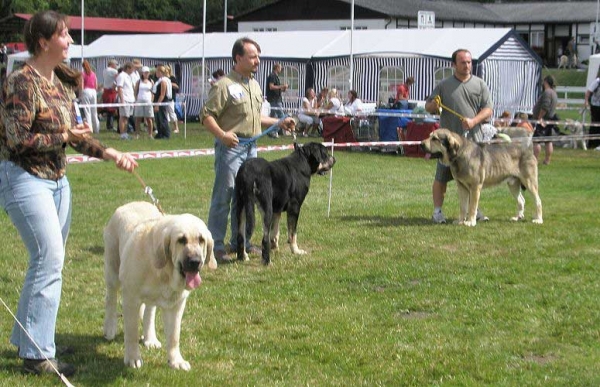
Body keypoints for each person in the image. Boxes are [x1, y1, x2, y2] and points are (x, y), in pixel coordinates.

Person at [0, 10, 138, 377]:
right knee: (49, 259)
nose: (70, 42)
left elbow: (72, 137)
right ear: (43, 42)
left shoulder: (60, 85)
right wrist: (64, 136)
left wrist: (109, 153)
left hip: (58, 181)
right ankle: (37, 354)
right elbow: (17, 140)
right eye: (64, 35)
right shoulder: (20, 82)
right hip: (24, 178)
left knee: (46, 262)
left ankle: (29, 337)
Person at [201, 37, 295, 263]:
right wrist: (222, 135)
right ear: (238, 58)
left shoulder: (254, 85)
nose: (258, 61)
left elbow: (255, 117)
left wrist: (278, 122)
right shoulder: (223, 85)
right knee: (224, 196)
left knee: (246, 197)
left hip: (251, 148)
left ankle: (240, 241)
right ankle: (216, 245)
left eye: (259, 57)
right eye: (253, 57)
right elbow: (206, 116)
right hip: (231, 148)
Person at [425, 48, 493, 224]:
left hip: (473, 142)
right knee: (441, 178)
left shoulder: (480, 84)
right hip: (448, 144)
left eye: (469, 62)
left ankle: (473, 211)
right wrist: (434, 105)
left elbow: (488, 109)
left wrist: (474, 120)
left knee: (474, 179)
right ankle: (437, 212)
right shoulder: (444, 85)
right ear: (454, 64)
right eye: (463, 62)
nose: (467, 65)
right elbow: (429, 107)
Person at [532, 75, 558, 165]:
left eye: (544, 81)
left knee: (536, 140)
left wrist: (539, 118)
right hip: (550, 119)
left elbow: (545, 106)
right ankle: (547, 160)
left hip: (543, 120)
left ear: (546, 82)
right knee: (548, 141)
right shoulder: (554, 93)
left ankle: (535, 159)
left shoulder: (547, 92)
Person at [266, 63, 288, 137]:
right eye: (280, 68)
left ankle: (272, 131)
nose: (281, 69)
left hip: (276, 98)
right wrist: (282, 86)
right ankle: (274, 131)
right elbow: (271, 87)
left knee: (273, 116)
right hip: (274, 99)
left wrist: (283, 88)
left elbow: (276, 89)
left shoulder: (276, 77)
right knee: (281, 115)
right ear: (277, 68)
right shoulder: (272, 76)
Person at [115, 61, 135, 140]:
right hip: (125, 99)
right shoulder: (121, 76)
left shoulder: (128, 76)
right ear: (128, 68)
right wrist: (122, 100)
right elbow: (119, 88)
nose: (133, 71)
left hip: (130, 99)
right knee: (123, 117)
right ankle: (122, 134)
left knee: (127, 117)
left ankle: (125, 133)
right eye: (132, 69)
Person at [79, 60, 100, 134]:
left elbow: (81, 85)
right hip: (93, 91)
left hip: (86, 91)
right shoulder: (93, 74)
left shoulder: (82, 74)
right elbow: (96, 85)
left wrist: (80, 95)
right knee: (94, 111)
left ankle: (90, 128)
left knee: (87, 111)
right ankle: (97, 129)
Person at [133, 66, 154, 137]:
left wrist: (151, 100)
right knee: (138, 118)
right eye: (145, 73)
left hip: (148, 101)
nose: (146, 74)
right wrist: (136, 99)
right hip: (139, 101)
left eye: (147, 73)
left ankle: (150, 134)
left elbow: (153, 92)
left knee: (149, 118)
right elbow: (135, 91)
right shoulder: (139, 81)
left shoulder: (151, 81)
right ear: (142, 73)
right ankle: (137, 133)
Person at [153, 65, 172, 139]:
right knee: (158, 119)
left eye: (157, 71)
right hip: (158, 101)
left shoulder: (163, 81)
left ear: (161, 72)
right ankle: (160, 133)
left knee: (163, 118)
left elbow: (162, 94)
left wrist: (158, 104)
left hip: (162, 102)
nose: (156, 73)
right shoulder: (159, 80)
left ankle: (166, 134)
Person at [584, 68, 600, 150]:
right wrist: (586, 101)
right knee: (594, 124)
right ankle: (591, 144)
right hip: (595, 106)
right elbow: (588, 92)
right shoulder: (597, 81)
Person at [101, 59, 119, 131]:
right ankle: (110, 126)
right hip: (111, 91)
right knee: (111, 110)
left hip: (106, 91)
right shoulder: (113, 71)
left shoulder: (104, 70)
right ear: (112, 64)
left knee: (109, 110)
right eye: (116, 64)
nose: (117, 66)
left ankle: (109, 125)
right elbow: (118, 76)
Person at [165, 65, 180, 134]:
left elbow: (177, 86)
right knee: (165, 114)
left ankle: (176, 127)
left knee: (172, 112)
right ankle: (166, 128)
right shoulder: (162, 78)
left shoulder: (172, 78)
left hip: (171, 98)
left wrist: (169, 83)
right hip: (164, 98)